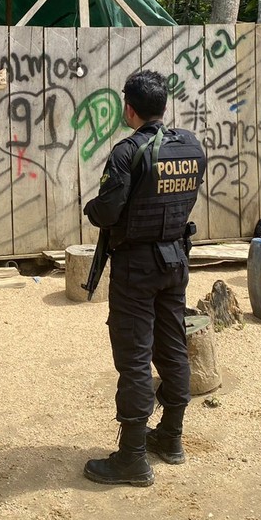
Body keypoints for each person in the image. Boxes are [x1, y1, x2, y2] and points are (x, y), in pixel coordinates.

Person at [82, 70, 206, 488]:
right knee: (172, 348)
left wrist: (91, 210)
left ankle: (132, 459)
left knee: (134, 359)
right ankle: (170, 439)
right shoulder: (190, 144)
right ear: (164, 105)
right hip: (175, 260)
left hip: (137, 265)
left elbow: (110, 209)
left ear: (129, 108)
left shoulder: (126, 151)